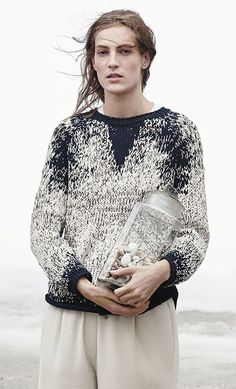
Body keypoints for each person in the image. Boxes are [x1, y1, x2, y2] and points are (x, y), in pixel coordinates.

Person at [30, 9, 210, 389]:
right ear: (92, 62)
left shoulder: (178, 132)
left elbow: (195, 233)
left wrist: (158, 273)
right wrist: (82, 284)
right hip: (71, 315)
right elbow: (43, 231)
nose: (113, 62)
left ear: (145, 58)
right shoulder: (68, 134)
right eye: (102, 52)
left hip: (143, 315)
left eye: (125, 51)